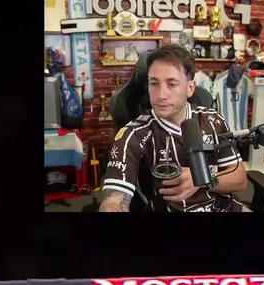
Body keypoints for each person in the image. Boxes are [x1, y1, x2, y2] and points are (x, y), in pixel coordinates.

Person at [99, 44, 248, 212]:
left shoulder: (213, 120)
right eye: (154, 83)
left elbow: (240, 179)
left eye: (171, 84)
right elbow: (114, 201)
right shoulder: (132, 135)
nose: (161, 95)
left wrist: (203, 180)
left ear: (190, 88)